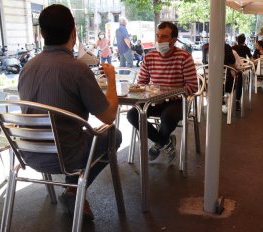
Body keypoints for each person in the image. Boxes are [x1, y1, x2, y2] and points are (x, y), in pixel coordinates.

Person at [18, 4, 121, 220]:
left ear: (41, 33)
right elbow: (109, 116)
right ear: (74, 32)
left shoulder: (27, 67)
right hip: (66, 158)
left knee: (77, 136)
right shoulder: (77, 69)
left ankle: (73, 191)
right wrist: (112, 79)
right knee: (114, 134)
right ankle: (75, 190)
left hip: (29, 154)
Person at [127, 22, 198, 164]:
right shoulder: (149, 57)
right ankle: (164, 142)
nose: (159, 40)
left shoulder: (184, 57)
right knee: (132, 114)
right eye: (157, 36)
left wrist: (169, 95)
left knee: (168, 116)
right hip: (154, 100)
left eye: (164, 37)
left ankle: (159, 143)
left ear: (174, 40)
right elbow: (142, 83)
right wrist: (149, 95)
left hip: (178, 101)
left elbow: (193, 86)